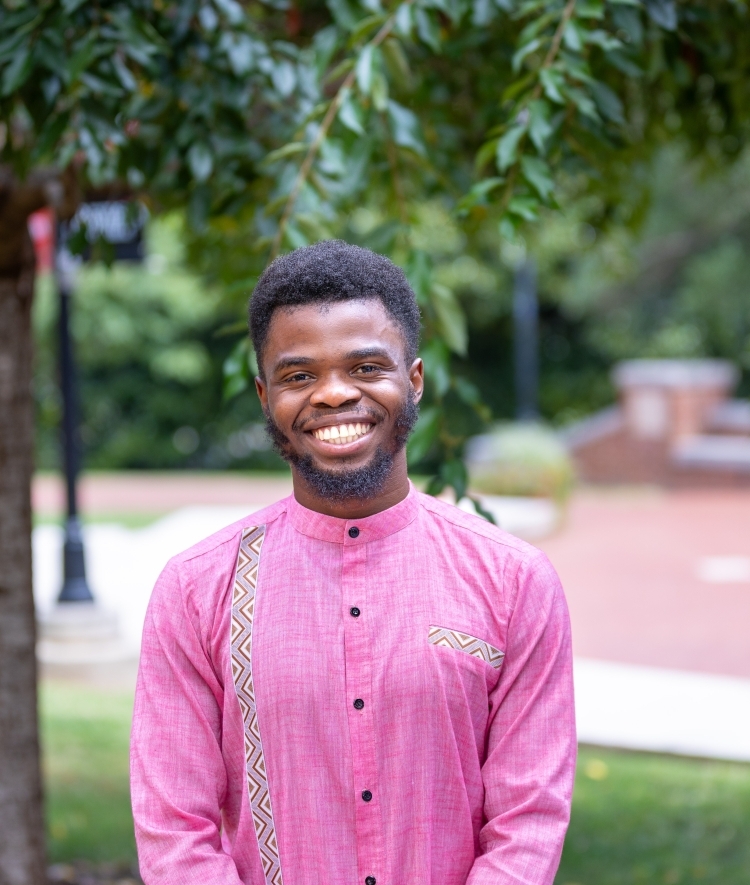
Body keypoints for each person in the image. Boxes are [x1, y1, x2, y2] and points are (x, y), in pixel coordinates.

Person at [130, 240, 576, 885]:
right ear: (265, 395)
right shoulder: (197, 590)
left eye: (366, 367)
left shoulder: (511, 580)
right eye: (299, 375)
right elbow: (175, 832)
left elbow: (529, 821)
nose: (334, 395)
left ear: (414, 380)